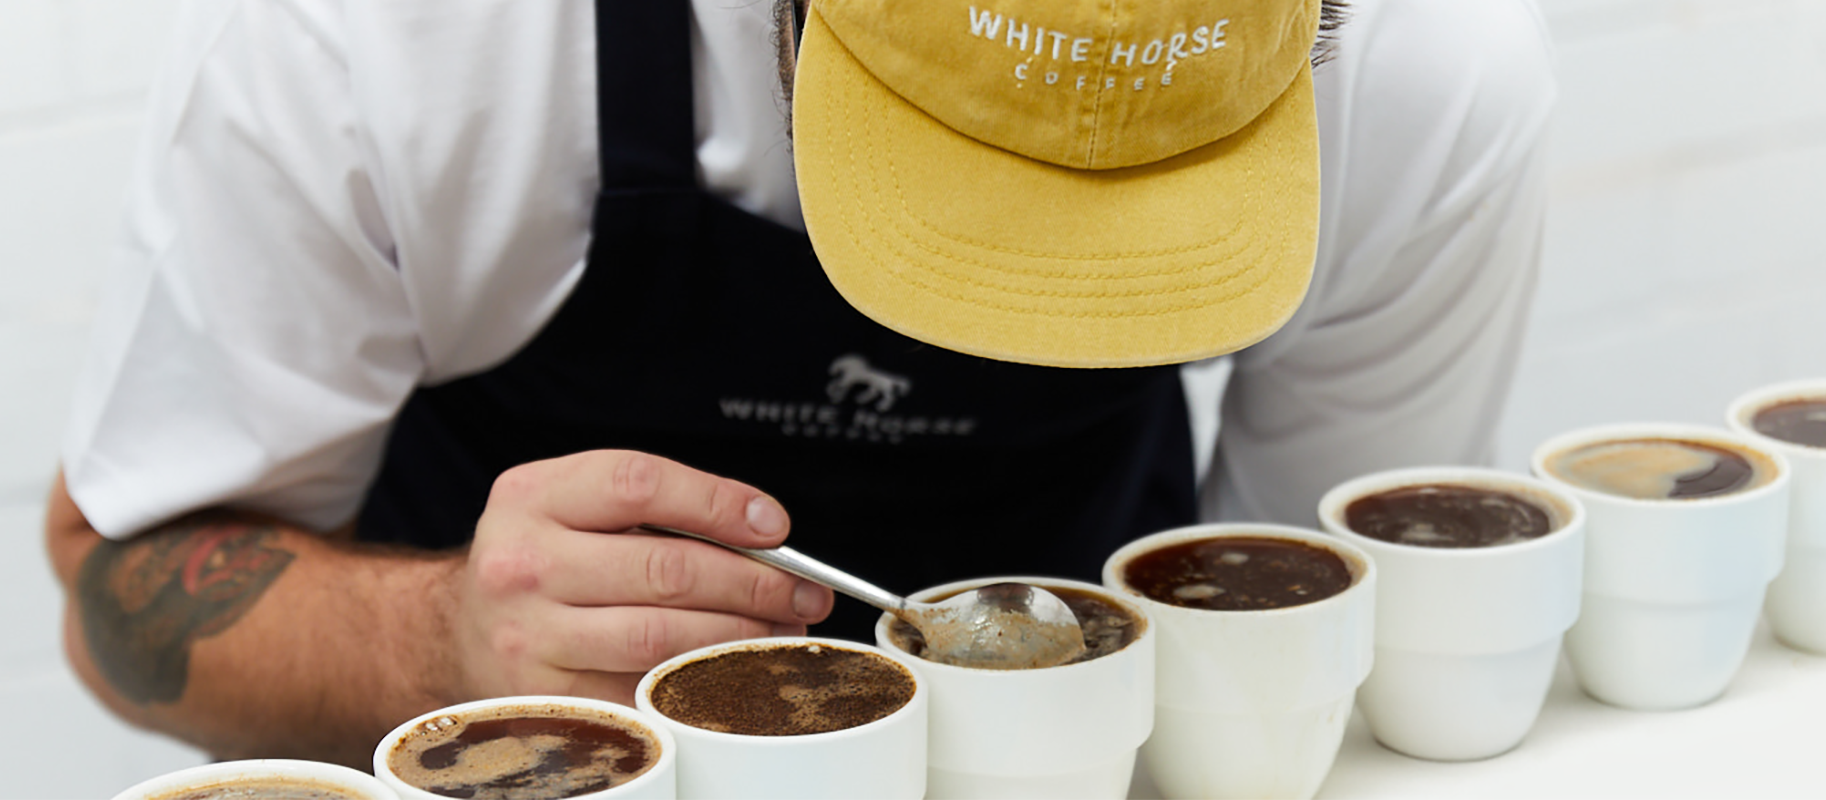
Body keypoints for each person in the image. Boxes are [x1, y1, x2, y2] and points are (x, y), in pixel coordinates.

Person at [45, 0, 1556, 766]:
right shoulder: (409, 42)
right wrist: (435, 641)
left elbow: (1322, 669)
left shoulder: (1426, 79)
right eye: (973, 175)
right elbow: (118, 587)